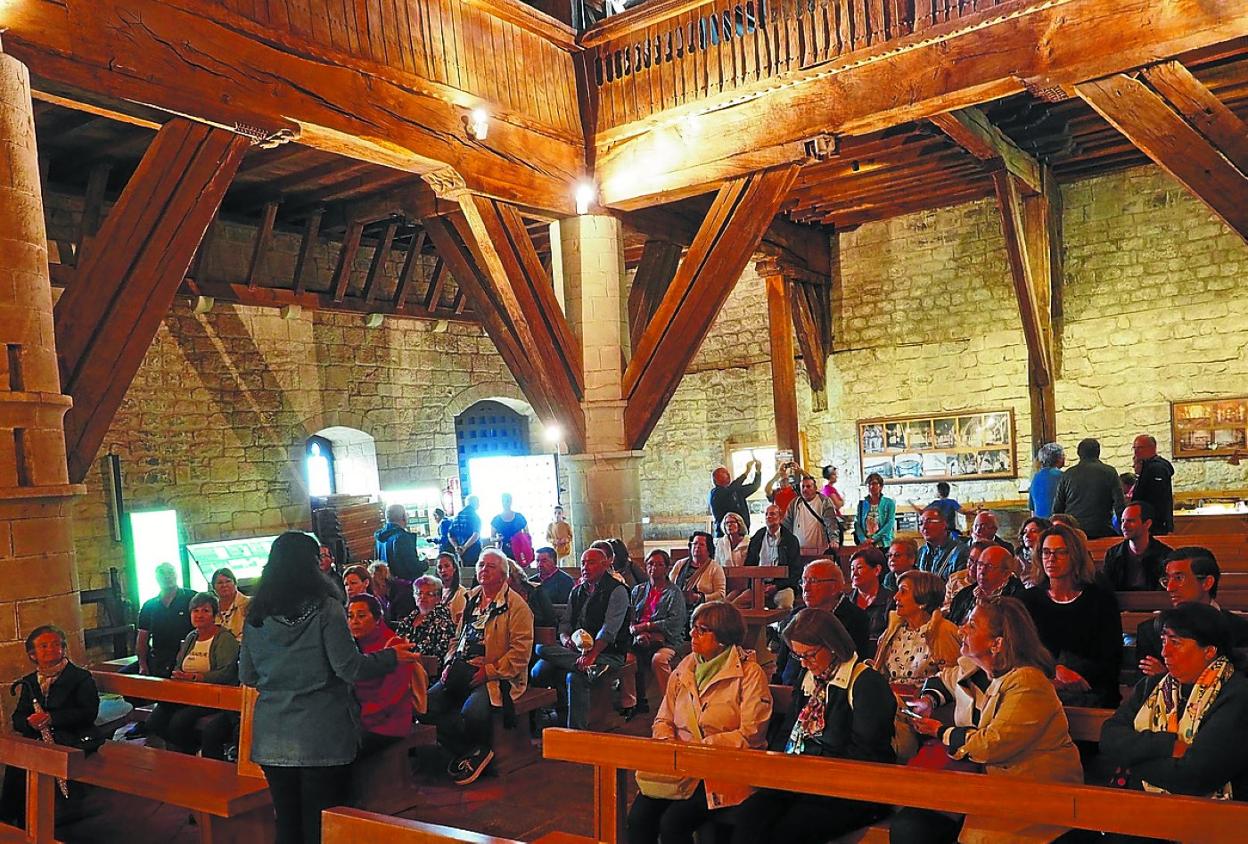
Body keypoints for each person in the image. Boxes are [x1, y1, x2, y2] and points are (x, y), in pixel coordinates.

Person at [240, 531, 419, 844]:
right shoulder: (327, 609)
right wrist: (391, 657)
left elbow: (248, 675)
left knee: (287, 825)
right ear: (311, 565)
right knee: (321, 827)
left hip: (272, 736)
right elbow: (349, 668)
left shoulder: (256, 614)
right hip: (321, 734)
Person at [895, 597, 1083, 843]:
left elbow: (992, 744)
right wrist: (929, 700)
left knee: (915, 829)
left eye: (972, 626)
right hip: (988, 787)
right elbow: (947, 678)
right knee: (910, 823)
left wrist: (942, 731)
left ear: (997, 644)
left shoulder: (1028, 682)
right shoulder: (984, 671)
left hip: (1032, 797)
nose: (961, 629)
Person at [733, 609, 894, 844]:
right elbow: (790, 728)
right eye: (799, 656)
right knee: (750, 816)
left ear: (832, 645)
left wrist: (810, 770)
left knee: (789, 832)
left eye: (809, 655)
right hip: (801, 779)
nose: (805, 663)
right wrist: (777, 767)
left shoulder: (866, 683)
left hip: (852, 789)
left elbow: (865, 753)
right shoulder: (810, 676)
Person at [626, 602, 771, 844]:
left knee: (673, 822)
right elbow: (664, 717)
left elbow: (751, 734)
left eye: (702, 630)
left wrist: (702, 748)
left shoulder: (750, 673)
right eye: (693, 627)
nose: (692, 634)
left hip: (722, 767)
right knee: (639, 818)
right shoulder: (685, 668)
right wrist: (669, 744)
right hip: (679, 765)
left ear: (723, 637)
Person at [1102, 602, 1248, 800]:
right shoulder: (1152, 685)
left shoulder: (1236, 694)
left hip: (1210, 816)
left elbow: (1195, 776)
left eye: (1175, 642)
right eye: (1163, 641)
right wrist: (1168, 745)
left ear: (1209, 651)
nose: (1164, 652)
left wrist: (1132, 761)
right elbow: (1109, 738)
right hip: (1141, 805)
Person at [424, 548, 533, 785]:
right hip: (462, 669)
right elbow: (457, 638)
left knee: (473, 712)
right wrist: (450, 662)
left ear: (504, 575)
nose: (484, 570)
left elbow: (520, 654)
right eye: (481, 565)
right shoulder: (472, 598)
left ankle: (476, 754)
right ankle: (473, 752)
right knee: (424, 706)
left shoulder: (517, 607)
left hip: (498, 676)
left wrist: (488, 672)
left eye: (491, 566)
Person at [0, 626, 100, 827]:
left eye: (56, 644)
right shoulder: (30, 682)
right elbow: (18, 716)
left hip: (72, 735)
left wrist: (52, 718)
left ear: (63, 648)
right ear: (33, 655)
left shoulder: (80, 677)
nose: (51, 649)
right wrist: (30, 721)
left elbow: (88, 712)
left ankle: (50, 814)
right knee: (18, 759)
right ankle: (14, 817)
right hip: (40, 736)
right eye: (43, 646)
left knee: (39, 758)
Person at [1022, 523, 1122, 707]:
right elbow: (1022, 651)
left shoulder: (1099, 599)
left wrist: (1074, 677)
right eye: (1046, 552)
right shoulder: (1028, 600)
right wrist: (1054, 673)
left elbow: (1112, 654)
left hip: (1090, 687)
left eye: (1060, 552)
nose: (1051, 559)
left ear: (1075, 556)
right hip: (1040, 685)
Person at [531, 547, 630, 730]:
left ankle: (576, 734)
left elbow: (609, 630)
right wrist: (565, 637)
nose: (585, 567)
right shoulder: (577, 591)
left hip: (608, 653)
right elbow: (566, 623)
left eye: (591, 563)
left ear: (604, 565)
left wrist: (592, 656)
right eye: (583, 563)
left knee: (574, 677)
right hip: (575, 651)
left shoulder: (617, 591)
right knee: (540, 655)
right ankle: (550, 722)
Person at [1133, 547, 1248, 681]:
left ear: (1207, 583)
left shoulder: (1240, 629)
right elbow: (1143, 691)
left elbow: (1240, 685)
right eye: (1167, 580)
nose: (1170, 588)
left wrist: (1169, 678)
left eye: (1178, 578)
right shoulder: (1149, 631)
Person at [148, 592, 239, 758]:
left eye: (205, 611)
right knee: (156, 719)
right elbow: (179, 663)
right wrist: (178, 674)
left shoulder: (224, 638)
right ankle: (181, 755)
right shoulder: (191, 637)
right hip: (186, 693)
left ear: (214, 615)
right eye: (195, 611)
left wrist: (198, 677)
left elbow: (227, 672)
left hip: (212, 696)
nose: (199, 615)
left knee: (179, 722)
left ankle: (190, 755)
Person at [776, 560, 870, 684]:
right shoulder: (796, 615)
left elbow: (852, 665)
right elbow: (781, 663)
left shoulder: (856, 618)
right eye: (804, 581)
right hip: (791, 688)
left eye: (813, 581)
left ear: (835, 587)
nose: (806, 588)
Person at [346, 594, 415, 757]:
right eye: (350, 616)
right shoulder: (348, 648)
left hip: (388, 723)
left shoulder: (394, 646)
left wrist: (355, 720)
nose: (354, 621)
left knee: (338, 752)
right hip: (357, 719)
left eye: (361, 616)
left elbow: (390, 699)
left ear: (377, 619)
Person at [620, 550, 688, 718]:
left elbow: (675, 622)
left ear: (666, 568)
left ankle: (669, 703)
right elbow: (631, 617)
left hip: (667, 639)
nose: (654, 568)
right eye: (650, 564)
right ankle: (632, 703)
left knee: (659, 660)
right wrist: (637, 632)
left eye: (659, 564)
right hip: (640, 637)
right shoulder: (638, 590)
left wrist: (648, 627)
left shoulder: (674, 592)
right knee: (627, 659)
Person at [871, 570, 960, 690]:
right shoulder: (893, 630)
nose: (896, 597)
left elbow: (954, 679)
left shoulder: (943, 630)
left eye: (903, 591)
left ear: (922, 601)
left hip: (929, 703)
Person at [1051, 437, 1125, 539]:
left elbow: (1058, 508)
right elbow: (1120, 505)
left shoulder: (1068, 474)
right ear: (1098, 452)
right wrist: (1123, 530)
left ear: (1078, 453)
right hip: (1101, 529)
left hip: (1074, 532)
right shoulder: (1110, 472)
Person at [134, 562, 196, 678]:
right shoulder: (149, 605)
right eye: (163, 574)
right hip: (158, 657)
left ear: (176, 575)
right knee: (125, 678)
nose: (167, 577)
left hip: (187, 655)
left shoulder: (192, 598)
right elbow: (142, 637)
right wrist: (142, 663)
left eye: (170, 572)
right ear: (157, 579)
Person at [1101, 501, 1173, 590]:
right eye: (1123, 521)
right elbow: (1106, 589)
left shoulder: (1165, 555)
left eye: (1130, 521)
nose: (1124, 526)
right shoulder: (1113, 554)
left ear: (1147, 524)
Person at [948, 545, 1026, 626]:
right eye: (980, 565)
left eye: (989, 567)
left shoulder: (1017, 599)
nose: (982, 571)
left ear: (1005, 573)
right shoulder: (964, 595)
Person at [743, 503, 801, 610]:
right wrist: (756, 586)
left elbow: (796, 571)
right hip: (758, 586)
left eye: (773, 514)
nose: (768, 517)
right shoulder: (757, 537)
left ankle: (783, 627)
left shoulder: (790, 540)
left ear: (780, 517)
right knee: (738, 603)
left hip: (782, 587)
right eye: (766, 514)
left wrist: (776, 586)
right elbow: (749, 564)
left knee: (786, 604)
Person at [394, 574, 458, 659]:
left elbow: (437, 656)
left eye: (429, 594)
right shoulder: (411, 616)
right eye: (419, 593)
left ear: (438, 598)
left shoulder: (443, 621)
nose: (422, 597)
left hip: (427, 668)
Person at [848, 547, 894, 652]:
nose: (854, 574)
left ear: (877, 570)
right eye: (852, 569)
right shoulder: (846, 601)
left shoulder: (891, 600)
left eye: (859, 568)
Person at [671, 531, 727, 613]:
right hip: (678, 608)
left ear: (709, 549)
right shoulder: (680, 564)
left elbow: (721, 594)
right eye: (695, 543)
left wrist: (699, 598)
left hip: (705, 610)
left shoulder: (715, 568)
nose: (697, 547)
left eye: (701, 544)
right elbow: (670, 585)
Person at [783, 475, 839, 556]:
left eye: (808, 486)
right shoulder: (794, 503)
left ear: (815, 488)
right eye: (803, 486)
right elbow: (786, 524)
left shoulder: (824, 502)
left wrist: (834, 539)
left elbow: (831, 522)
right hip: (799, 551)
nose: (805, 489)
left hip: (820, 550)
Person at [1131, 434, 1174, 535]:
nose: (1136, 451)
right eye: (1134, 448)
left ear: (1152, 448)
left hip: (1154, 523)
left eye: (1140, 448)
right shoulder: (1147, 466)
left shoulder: (1157, 468)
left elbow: (1159, 498)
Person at [708, 460, 762, 538]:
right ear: (715, 479)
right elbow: (731, 488)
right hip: (724, 536)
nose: (728, 475)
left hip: (742, 534)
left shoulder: (735, 490)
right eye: (724, 474)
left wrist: (758, 471)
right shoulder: (715, 493)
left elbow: (755, 486)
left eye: (727, 473)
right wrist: (746, 472)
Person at [374, 503, 427, 581]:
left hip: (388, 585)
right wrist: (425, 563)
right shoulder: (402, 537)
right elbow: (412, 566)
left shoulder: (380, 538)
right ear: (404, 517)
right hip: (404, 586)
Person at [915, 506, 968, 580]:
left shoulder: (961, 552)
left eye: (929, 522)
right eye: (921, 523)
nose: (924, 527)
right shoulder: (921, 551)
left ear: (944, 524)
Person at [507, 559, 557, 628]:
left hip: (538, 634)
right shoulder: (497, 595)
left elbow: (550, 620)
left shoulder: (536, 590)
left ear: (511, 575)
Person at [854, 472, 896, 548]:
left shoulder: (889, 503)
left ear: (881, 486)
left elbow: (890, 523)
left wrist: (874, 538)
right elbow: (857, 524)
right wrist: (864, 540)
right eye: (869, 484)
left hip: (884, 543)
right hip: (866, 544)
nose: (871, 486)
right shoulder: (861, 504)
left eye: (874, 484)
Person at [212, 567, 250, 641]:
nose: (224, 585)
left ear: (235, 583)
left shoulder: (249, 604)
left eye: (228, 581)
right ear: (214, 587)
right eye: (220, 583)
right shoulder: (211, 609)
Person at [1029, 442, 1065, 518]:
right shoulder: (1063, 476)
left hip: (1040, 523)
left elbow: (1032, 509)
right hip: (1057, 523)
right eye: (1063, 455)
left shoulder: (1035, 477)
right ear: (1058, 458)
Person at [1015, 516, 1051, 588]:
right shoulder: (1018, 558)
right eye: (1025, 532)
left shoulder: (1050, 556)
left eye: (1034, 531)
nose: (1027, 536)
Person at [490, 493, 529, 560]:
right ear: (501, 502)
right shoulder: (496, 519)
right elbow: (491, 538)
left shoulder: (519, 517)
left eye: (508, 500)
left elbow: (527, 535)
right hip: (502, 551)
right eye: (504, 501)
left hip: (519, 550)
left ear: (511, 501)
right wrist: (499, 539)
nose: (506, 503)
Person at [436, 551, 469, 626]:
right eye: (440, 567)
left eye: (447, 566)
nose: (443, 570)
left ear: (454, 568)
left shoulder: (461, 592)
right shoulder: (435, 591)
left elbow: (460, 622)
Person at [450, 495, 483, 566]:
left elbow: (450, 535)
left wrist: (456, 547)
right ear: (475, 503)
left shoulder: (456, 517)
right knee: (475, 572)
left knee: (465, 573)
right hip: (473, 550)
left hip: (460, 552)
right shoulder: (475, 516)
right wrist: (465, 547)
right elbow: (476, 534)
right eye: (478, 502)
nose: (479, 505)